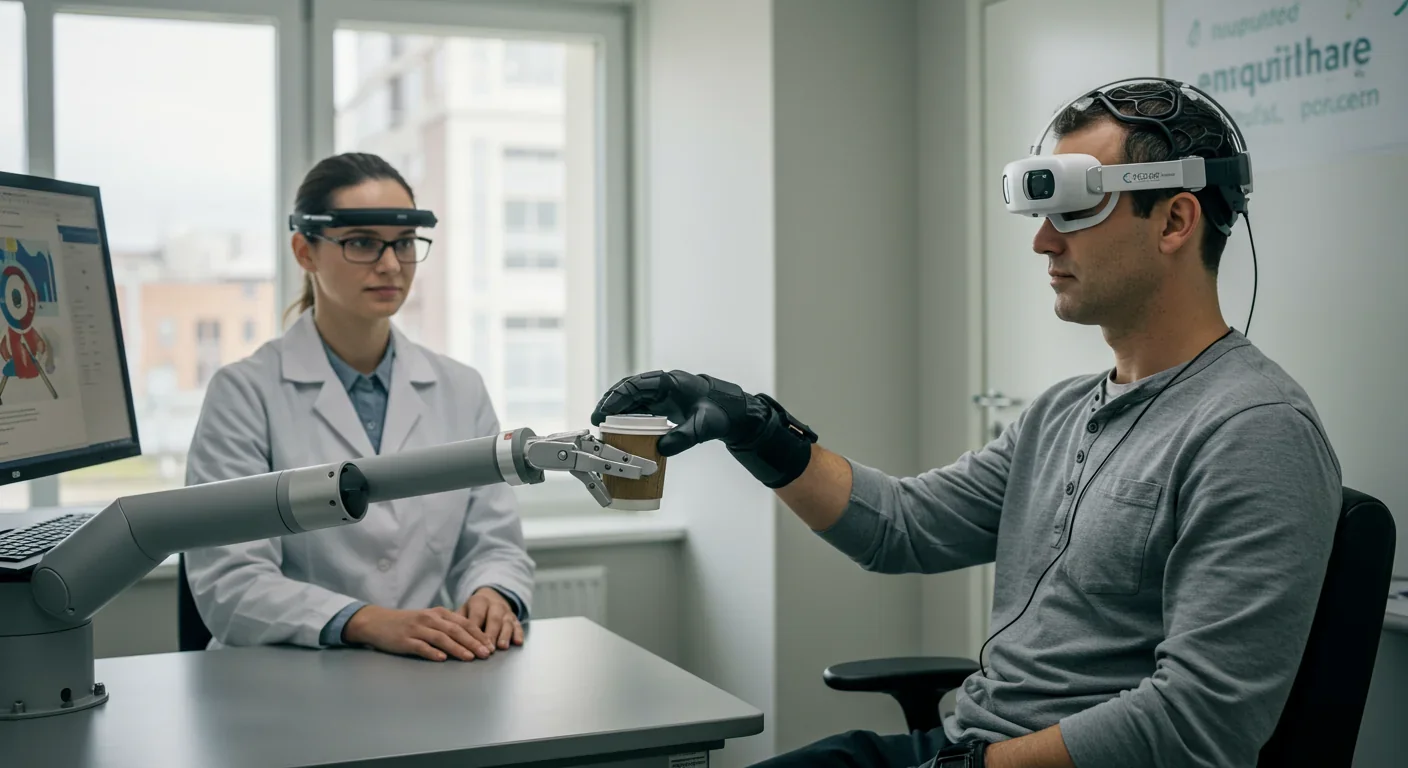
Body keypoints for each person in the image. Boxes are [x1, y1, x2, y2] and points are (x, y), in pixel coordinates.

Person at [592, 81, 1341, 768]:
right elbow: (903, 527)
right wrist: (757, 431)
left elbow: (1200, 721)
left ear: (1175, 219)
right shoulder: (1060, 412)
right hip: (965, 746)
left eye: (1076, 211)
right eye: (1042, 214)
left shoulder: (1252, 430)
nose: (1044, 242)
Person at [185, 152, 535, 663]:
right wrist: (366, 621)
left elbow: (494, 545)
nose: (391, 264)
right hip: (282, 678)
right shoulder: (243, 393)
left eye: (404, 244)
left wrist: (493, 594)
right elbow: (230, 582)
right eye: (363, 244)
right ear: (305, 251)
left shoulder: (460, 389)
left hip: (422, 675)